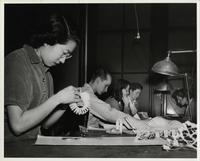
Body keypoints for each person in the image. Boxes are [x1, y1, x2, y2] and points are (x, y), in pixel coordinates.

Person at [4, 13, 81, 142]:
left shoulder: (47, 73)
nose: (63, 61)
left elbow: (45, 124)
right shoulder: (17, 61)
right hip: (9, 147)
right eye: (64, 53)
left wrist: (66, 103)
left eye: (67, 56)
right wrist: (58, 98)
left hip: (31, 145)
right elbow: (17, 125)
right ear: (48, 41)